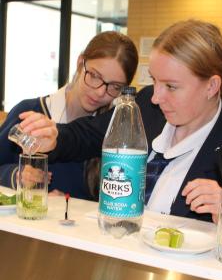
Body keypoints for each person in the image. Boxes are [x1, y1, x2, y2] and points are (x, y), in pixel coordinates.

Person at [18, 20, 222, 222]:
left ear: (211, 86)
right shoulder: (147, 105)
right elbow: (90, 134)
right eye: (154, 80)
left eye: (171, 86)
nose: (157, 97)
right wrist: (56, 137)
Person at [0, 31, 138, 200]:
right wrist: (15, 175)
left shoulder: (114, 131)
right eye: (95, 76)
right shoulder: (31, 113)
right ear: (81, 63)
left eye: (115, 87)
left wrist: (72, 206)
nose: (100, 91)